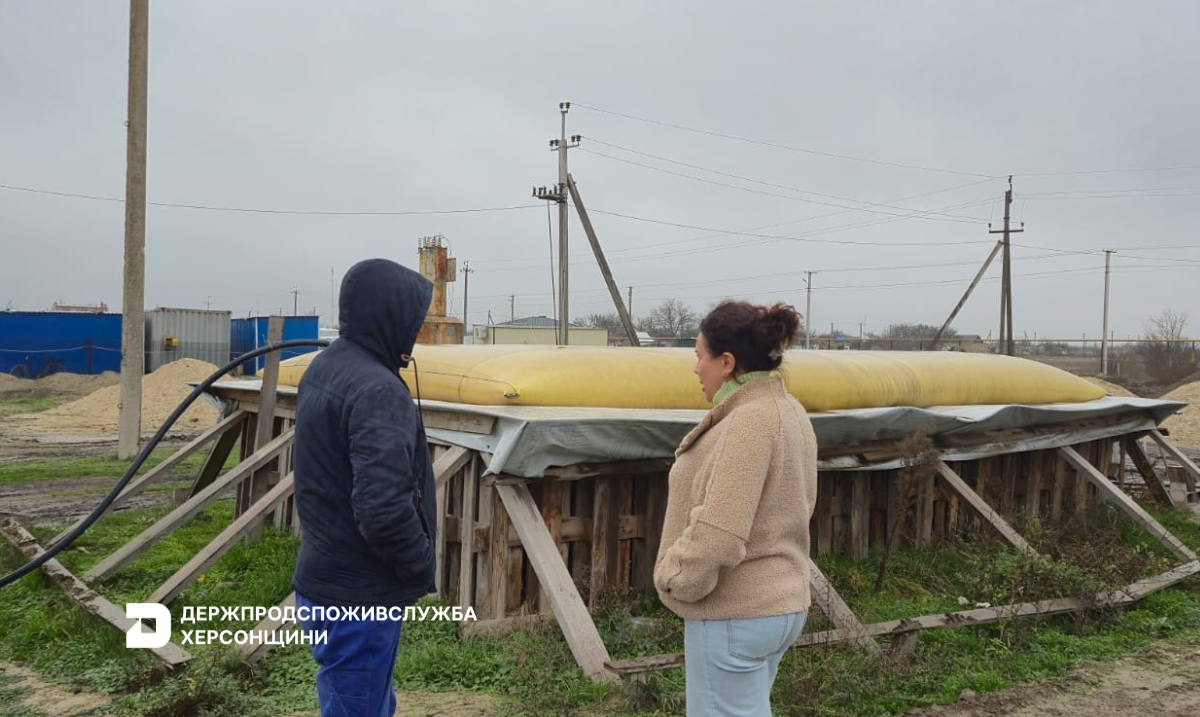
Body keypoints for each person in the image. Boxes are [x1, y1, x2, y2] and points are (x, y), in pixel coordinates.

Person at [653, 300, 817, 717]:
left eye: (699, 356)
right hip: (780, 603)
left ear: (726, 362)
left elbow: (720, 533)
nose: (695, 368)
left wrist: (674, 576)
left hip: (734, 612)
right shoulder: (789, 411)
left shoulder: (749, 422)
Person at [291, 258, 437, 717]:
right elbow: (382, 508)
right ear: (391, 315)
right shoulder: (377, 390)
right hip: (359, 596)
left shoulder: (328, 366)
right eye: (415, 319)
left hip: (327, 580)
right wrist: (419, 565)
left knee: (362, 702)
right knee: (358, 707)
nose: (416, 331)